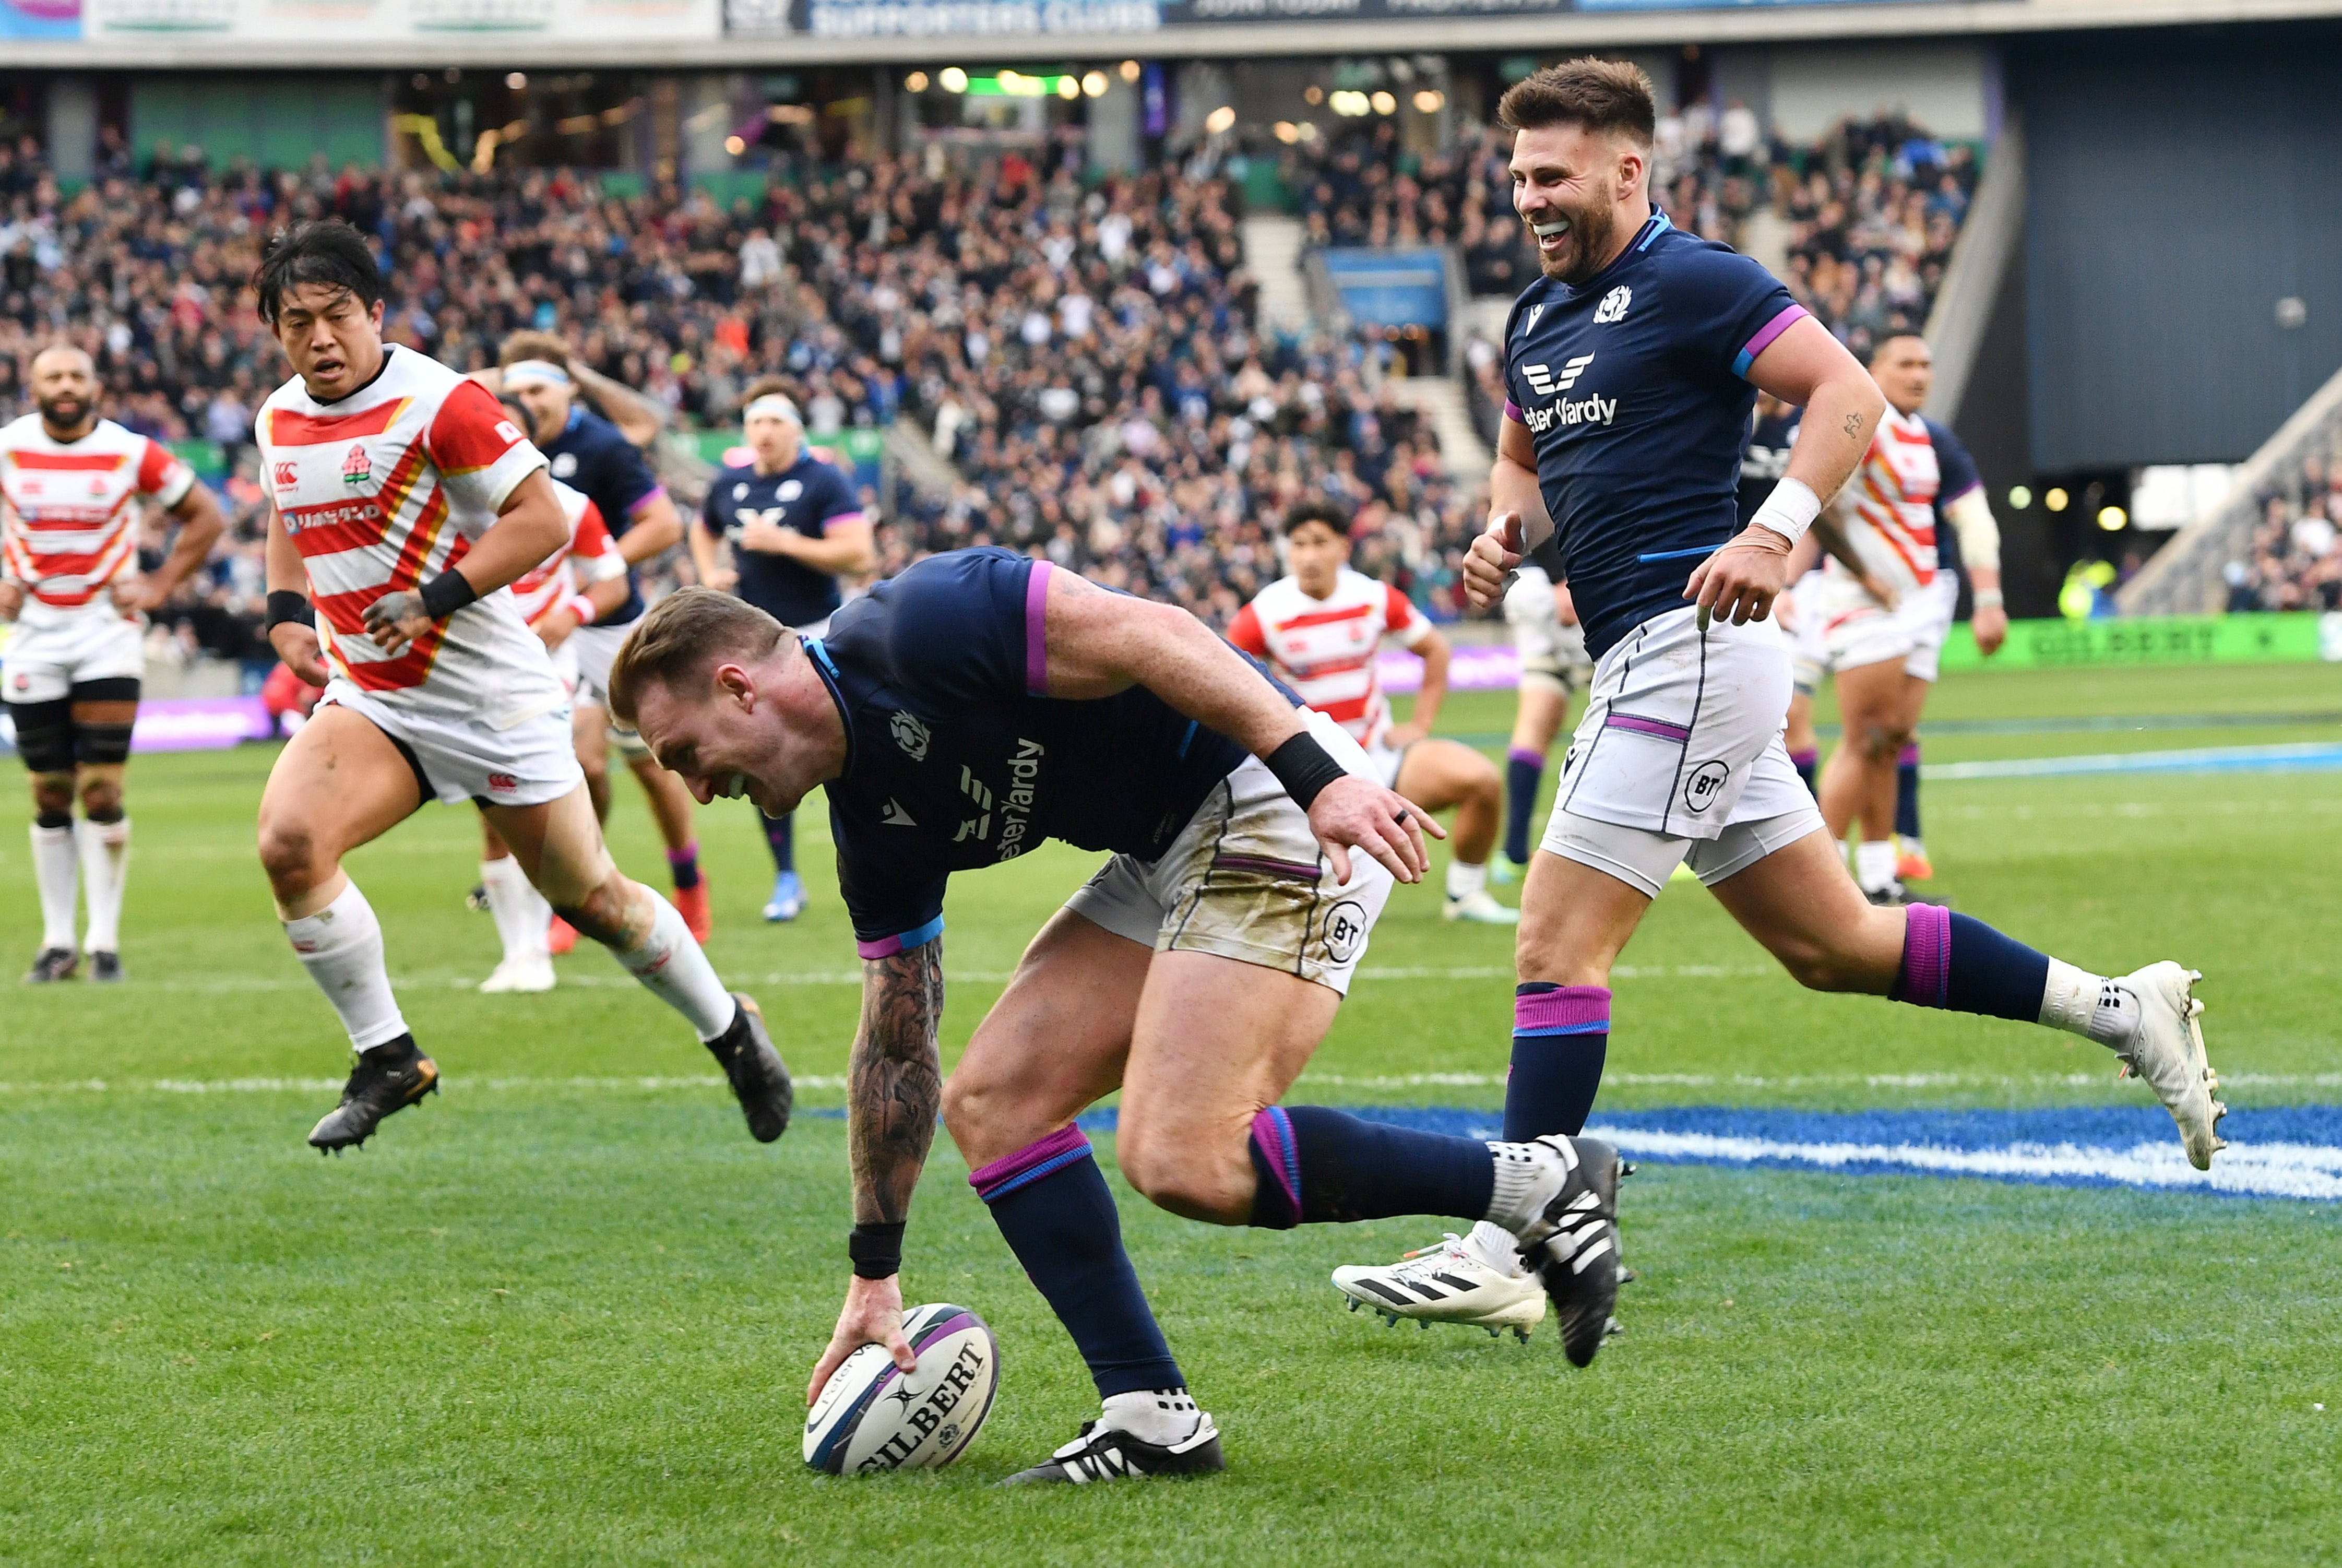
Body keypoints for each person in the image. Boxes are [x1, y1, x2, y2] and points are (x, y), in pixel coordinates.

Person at [1330, 60, 2224, 1335]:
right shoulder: (1532, 322)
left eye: (1552, 174)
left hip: (1693, 644)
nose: (1528, 196)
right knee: (1834, 945)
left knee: (1554, 944)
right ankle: (2125, 1008)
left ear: (1627, 170)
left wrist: (1777, 528)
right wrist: (1500, 537)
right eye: (1517, 175)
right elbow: (1524, 467)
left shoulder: (1698, 280)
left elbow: (1846, 393)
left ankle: (1510, 1240)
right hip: (1655, 656)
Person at [608, 557, 1628, 1483]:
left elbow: (1154, 631)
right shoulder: (867, 822)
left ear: (738, 687)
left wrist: (1318, 773)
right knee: (994, 1103)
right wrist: (873, 1272)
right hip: (1165, 846)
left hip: (1267, 788)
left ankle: (1538, 1182)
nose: (699, 788)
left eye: (684, 753)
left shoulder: (916, 623)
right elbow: (894, 1045)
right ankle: (1151, 1416)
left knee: (1183, 1154)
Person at [244, 219, 789, 1152]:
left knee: (595, 900)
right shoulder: (279, 416)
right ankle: (388, 1055)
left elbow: (541, 521)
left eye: (337, 316)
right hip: (377, 699)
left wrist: (434, 597)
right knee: (289, 843)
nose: (321, 339)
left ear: (376, 313)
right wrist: (287, 612)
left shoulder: (443, 402)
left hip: (494, 698)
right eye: (298, 323)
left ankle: (730, 1029)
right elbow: (288, 512)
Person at [2, 343, 225, 983]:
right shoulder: (10, 447)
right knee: (48, 789)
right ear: (33, 384)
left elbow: (204, 515)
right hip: (34, 638)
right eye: (53, 376)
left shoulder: (131, 451)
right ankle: (55, 943)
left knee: (101, 787)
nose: (66, 385)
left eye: (76, 375)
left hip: (106, 637)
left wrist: (159, 588)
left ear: (96, 385)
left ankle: (103, 941)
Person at [492, 337, 710, 945]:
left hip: (609, 624)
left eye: (539, 388)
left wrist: (592, 569)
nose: (528, 401)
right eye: (519, 390)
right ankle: (582, 892)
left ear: (568, 389)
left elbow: (664, 524)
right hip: (545, 629)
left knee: (651, 766)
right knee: (582, 763)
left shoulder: (603, 447)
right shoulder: (500, 444)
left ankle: (689, 880)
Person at [1228, 500, 1517, 924]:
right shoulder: (1264, 613)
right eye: (1299, 544)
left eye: (1320, 543)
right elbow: (1230, 679)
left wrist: (1419, 724)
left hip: (1375, 758)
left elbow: (1435, 650)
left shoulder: (1374, 597)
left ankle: (1465, 897)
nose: (1309, 556)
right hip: (1306, 769)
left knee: (1481, 781)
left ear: (1343, 548)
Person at [1810, 334, 2007, 903]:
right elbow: (1812, 499)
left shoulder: (1926, 436)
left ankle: (1876, 875)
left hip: (1920, 602)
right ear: (1874, 369)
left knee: (1891, 739)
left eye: (1926, 364)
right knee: (1862, 736)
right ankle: (1817, 882)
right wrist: (1859, 571)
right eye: (1905, 364)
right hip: (1868, 602)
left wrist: (1987, 599)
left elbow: (1971, 516)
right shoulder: (1858, 422)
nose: (1918, 374)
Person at [691, 379, 876, 922]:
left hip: (820, 632)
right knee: (761, 751)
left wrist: (786, 543)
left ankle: (867, 863)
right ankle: (787, 876)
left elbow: (859, 555)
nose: (764, 432)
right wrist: (709, 573)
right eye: (755, 423)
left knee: (849, 752)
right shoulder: (731, 484)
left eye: (774, 422)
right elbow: (702, 529)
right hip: (754, 639)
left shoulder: (823, 482)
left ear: (795, 429)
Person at [474, 438, 631, 995]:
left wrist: (573, 613)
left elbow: (613, 581)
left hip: (551, 670)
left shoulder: (569, 505)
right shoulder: (450, 505)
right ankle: (515, 952)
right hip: (478, 672)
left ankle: (540, 945)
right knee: (493, 812)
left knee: (553, 793)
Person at [1493, 533, 1591, 884]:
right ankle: (1660, 848)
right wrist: (1563, 577)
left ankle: (1513, 853)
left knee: (1535, 723)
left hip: (1528, 587)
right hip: (1584, 582)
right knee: (1633, 717)